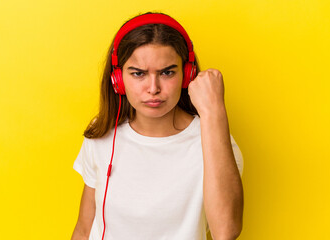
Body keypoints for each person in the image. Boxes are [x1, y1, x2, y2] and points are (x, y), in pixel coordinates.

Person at [71, 12, 244, 240]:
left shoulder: (213, 138)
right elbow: (84, 229)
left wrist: (214, 112)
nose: (153, 88)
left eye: (167, 72)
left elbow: (226, 231)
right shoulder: (102, 133)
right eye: (138, 74)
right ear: (118, 79)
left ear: (187, 74)